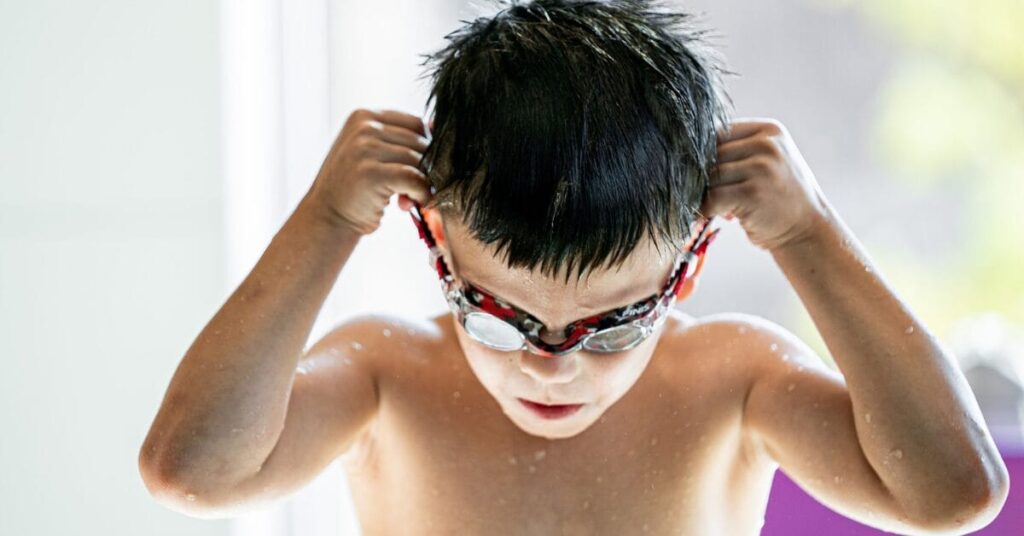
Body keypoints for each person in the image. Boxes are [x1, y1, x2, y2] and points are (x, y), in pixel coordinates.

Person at [139, 1, 1009, 533]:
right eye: (496, 317)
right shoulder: (387, 380)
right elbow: (192, 472)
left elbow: (952, 495)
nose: (550, 366)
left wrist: (808, 234)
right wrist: (326, 220)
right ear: (436, 242)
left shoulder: (731, 382)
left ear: (689, 267)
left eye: (613, 326)